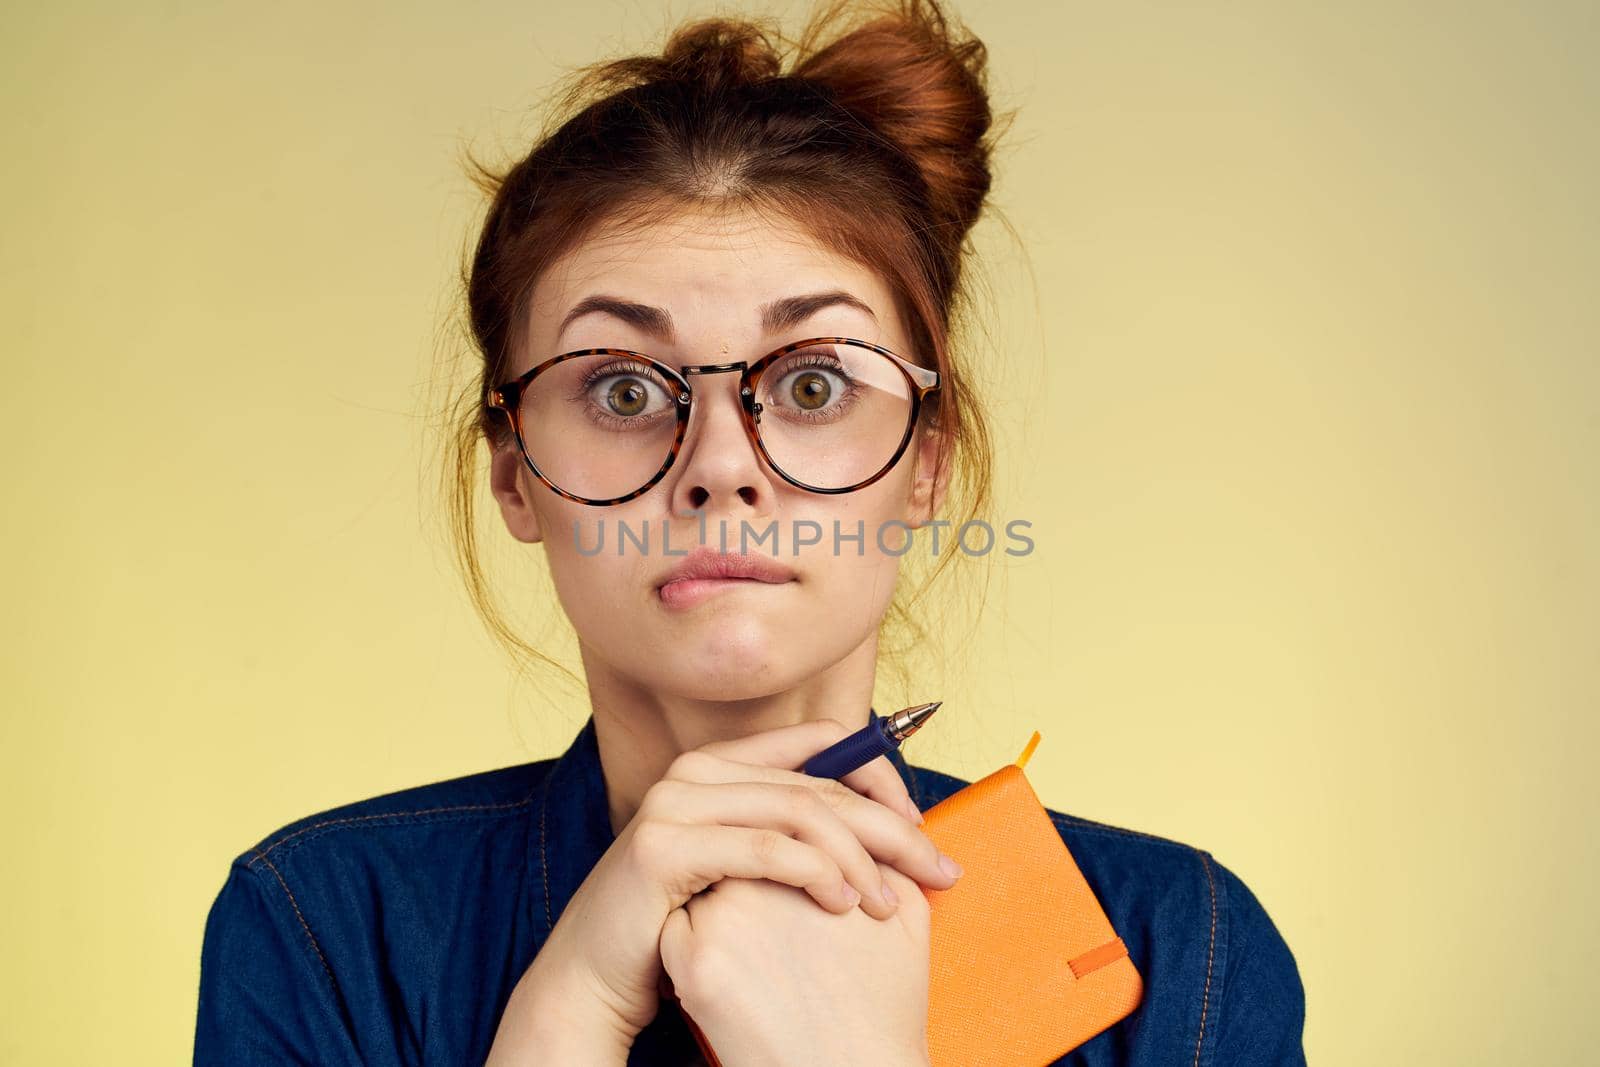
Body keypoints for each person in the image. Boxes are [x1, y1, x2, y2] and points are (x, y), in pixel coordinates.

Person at [193, 1, 1306, 1063]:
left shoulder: (1182, 951)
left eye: (814, 384)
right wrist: (567, 1007)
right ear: (512, 470)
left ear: (927, 458)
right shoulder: (324, 928)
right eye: (623, 391)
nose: (719, 467)